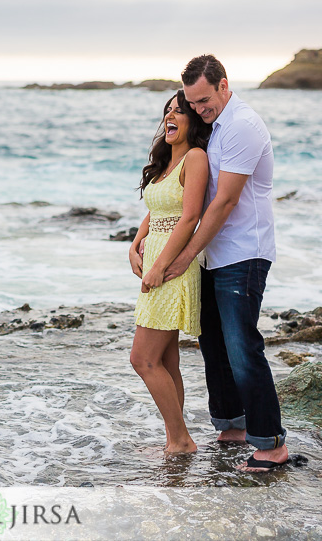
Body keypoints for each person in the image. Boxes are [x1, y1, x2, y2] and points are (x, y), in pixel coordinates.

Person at [160, 55, 289, 472]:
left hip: (244, 253)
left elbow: (224, 202)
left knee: (241, 346)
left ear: (223, 85)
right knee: (213, 343)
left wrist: (182, 256)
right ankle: (231, 426)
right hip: (215, 254)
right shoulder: (214, 128)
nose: (199, 109)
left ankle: (270, 442)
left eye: (204, 100)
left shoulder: (242, 126)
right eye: (193, 103)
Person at [128, 90, 211, 455]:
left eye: (179, 111)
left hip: (173, 268)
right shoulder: (164, 165)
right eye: (167, 112)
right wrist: (134, 244)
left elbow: (190, 216)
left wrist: (159, 267)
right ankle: (176, 437)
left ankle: (181, 440)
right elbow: (157, 209)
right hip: (156, 263)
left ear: (193, 120)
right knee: (165, 359)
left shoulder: (195, 157)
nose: (170, 117)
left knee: (142, 359)